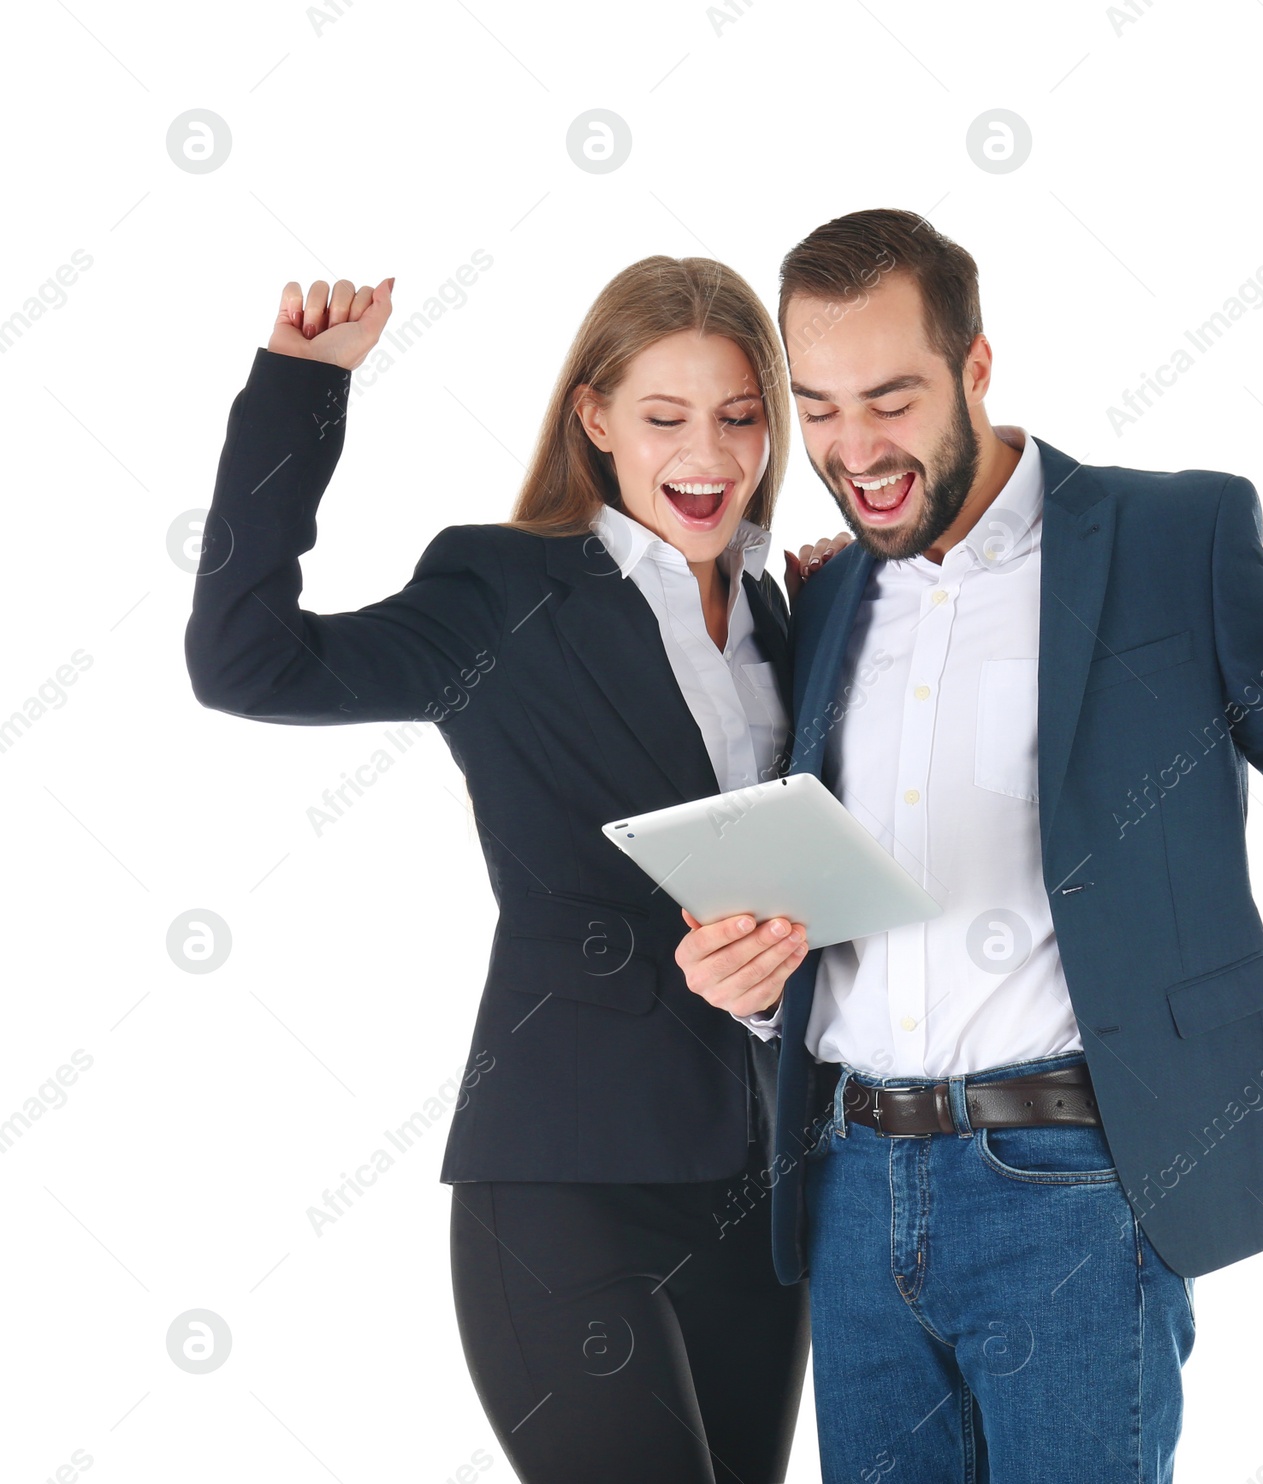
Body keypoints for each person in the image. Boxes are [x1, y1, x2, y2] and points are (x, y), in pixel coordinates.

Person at [676, 209, 1263, 1483]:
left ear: (977, 370)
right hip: (846, 1186)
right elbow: (830, 898)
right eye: (817, 407)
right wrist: (754, 977)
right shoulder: (825, 592)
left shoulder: (1174, 539)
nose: (852, 448)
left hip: (1068, 1187)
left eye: (891, 399)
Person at [186, 258, 841, 1483]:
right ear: (592, 418)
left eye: (740, 415)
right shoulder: (500, 592)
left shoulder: (783, 617)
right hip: (564, 1181)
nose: (709, 453)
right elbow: (246, 662)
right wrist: (300, 388)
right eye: (663, 417)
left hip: (760, 1187)